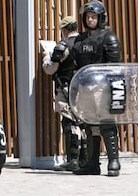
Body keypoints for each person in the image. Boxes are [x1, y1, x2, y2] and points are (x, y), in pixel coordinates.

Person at [71, 0, 122, 177]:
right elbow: (75, 66)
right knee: (89, 125)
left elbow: (115, 67)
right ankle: (92, 163)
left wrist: (115, 92)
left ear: (100, 18)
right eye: (88, 16)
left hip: (103, 88)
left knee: (107, 125)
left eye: (94, 16)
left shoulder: (109, 37)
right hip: (85, 87)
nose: (90, 19)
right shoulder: (80, 39)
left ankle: (113, 161)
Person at [41, 16, 88, 171]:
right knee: (83, 123)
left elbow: (50, 69)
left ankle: (73, 160)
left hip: (67, 88)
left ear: (64, 30)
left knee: (69, 123)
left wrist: (46, 57)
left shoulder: (63, 46)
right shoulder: (86, 42)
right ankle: (85, 159)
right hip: (86, 88)